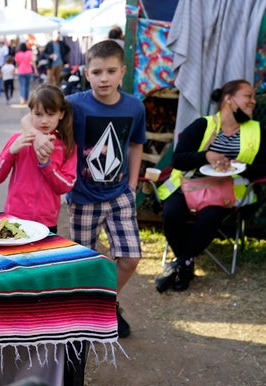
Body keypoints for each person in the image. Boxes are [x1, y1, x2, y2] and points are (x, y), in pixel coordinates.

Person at [32, 40, 146, 338]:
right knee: (86, 261)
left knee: (130, 258)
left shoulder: (135, 106)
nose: (104, 78)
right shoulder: (74, 104)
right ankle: (87, 308)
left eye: (111, 71)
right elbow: (35, 112)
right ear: (86, 73)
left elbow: (136, 144)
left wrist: (132, 185)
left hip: (120, 194)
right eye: (97, 72)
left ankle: (107, 302)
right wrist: (33, 133)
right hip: (82, 198)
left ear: (123, 71)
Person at [154, 80, 266, 292]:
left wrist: (243, 167)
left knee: (209, 217)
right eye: (248, 96)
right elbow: (178, 160)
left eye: (253, 97)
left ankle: (180, 265)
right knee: (172, 214)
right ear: (229, 99)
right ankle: (185, 264)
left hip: (227, 190)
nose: (253, 101)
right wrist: (206, 156)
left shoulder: (257, 130)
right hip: (189, 185)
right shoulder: (203, 125)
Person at [0, 84, 77, 232]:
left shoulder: (66, 146)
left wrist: (47, 165)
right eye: (38, 114)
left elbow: (66, 186)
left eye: (51, 114)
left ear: (61, 114)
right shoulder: (18, 139)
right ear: (30, 113)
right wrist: (11, 152)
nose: (44, 121)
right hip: (15, 217)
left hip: (47, 221)